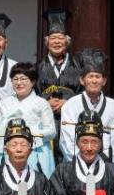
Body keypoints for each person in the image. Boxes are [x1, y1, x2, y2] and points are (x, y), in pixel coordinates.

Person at [60, 49, 114, 168]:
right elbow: (67, 142)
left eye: (97, 77)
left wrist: (107, 167)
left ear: (104, 81)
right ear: (82, 80)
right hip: (76, 167)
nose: (94, 81)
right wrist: (83, 165)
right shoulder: (70, 105)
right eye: (90, 76)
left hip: (108, 167)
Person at [0, 62, 56, 177]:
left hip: (34, 151)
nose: (19, 83)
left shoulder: (41, 103)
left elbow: (51, 132)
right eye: (15, 79)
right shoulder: (4, 103)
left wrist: (27, 133)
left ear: (33, 82)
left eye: (23, 79)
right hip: (7, 151)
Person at [36, 10, 83, 163]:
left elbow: (84, 93)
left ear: (67, 41)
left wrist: (68, 103)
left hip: (72, 121)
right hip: (45, 121)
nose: (57, 42)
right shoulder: (38, 67)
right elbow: (32, 94)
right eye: (53, 38)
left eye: (60, 38)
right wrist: (45, 103)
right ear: (47, 42)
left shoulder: (78, 67)